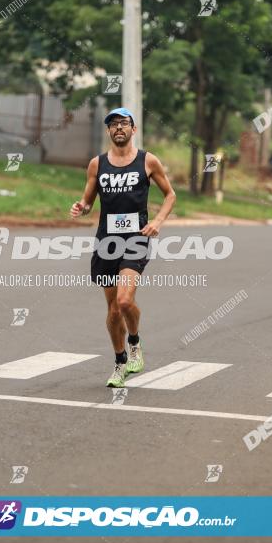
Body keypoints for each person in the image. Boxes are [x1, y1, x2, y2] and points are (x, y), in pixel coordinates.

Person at [70, 108, 176, 387]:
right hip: (106, 242)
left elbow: (170, 195)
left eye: (124, 124)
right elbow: (88, 202)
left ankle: (135, 344)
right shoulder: (97, 164)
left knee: (125, 300)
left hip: (136, 239)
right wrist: (81, 207)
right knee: (113, 310)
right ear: (108, 131)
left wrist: (159, 221)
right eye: (114, 124)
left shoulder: (147, 161)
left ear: (133, 129)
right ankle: (119, 362)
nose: (119, 128)